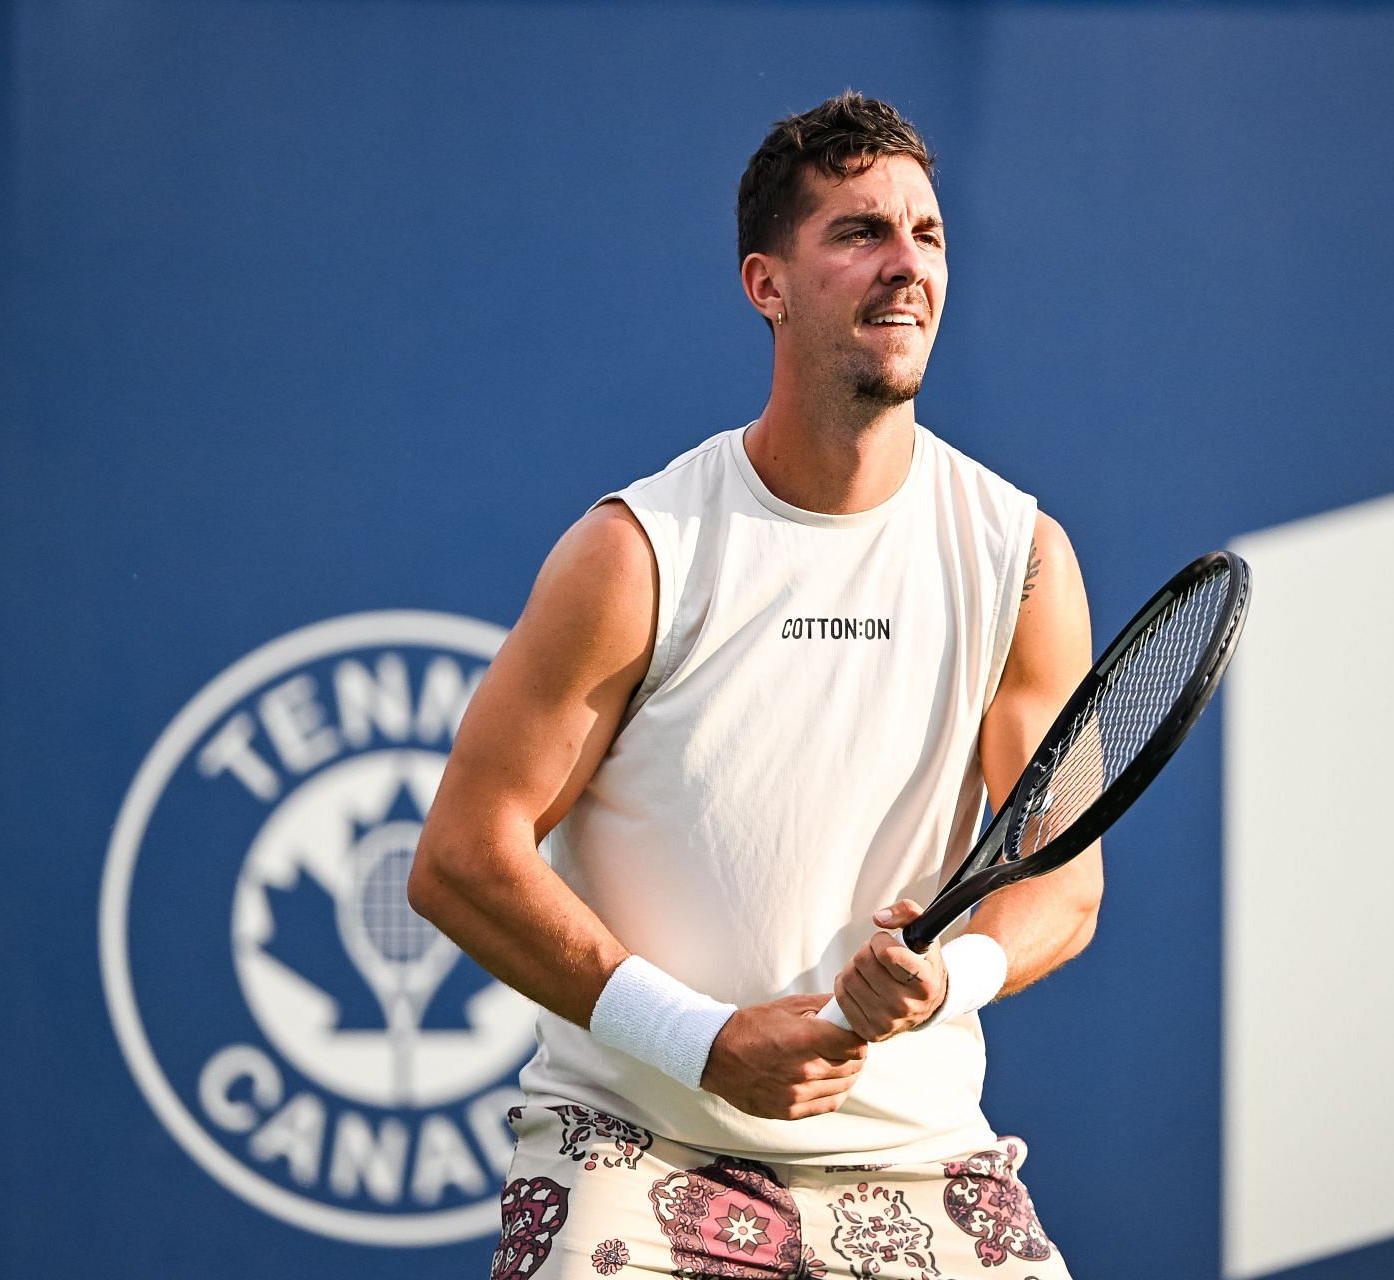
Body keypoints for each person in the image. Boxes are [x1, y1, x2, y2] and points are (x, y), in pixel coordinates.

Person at [409, 90, 1100, 1279]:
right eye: (858, 233)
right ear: (764, 283)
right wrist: (701, 1040)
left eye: (926, 234)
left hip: (921, 1157)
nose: (906, 266)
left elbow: (1065, 881)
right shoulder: (638, 553)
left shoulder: (1020, 556)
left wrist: (950, 978)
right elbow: (463, 857)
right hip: (634, 1144)